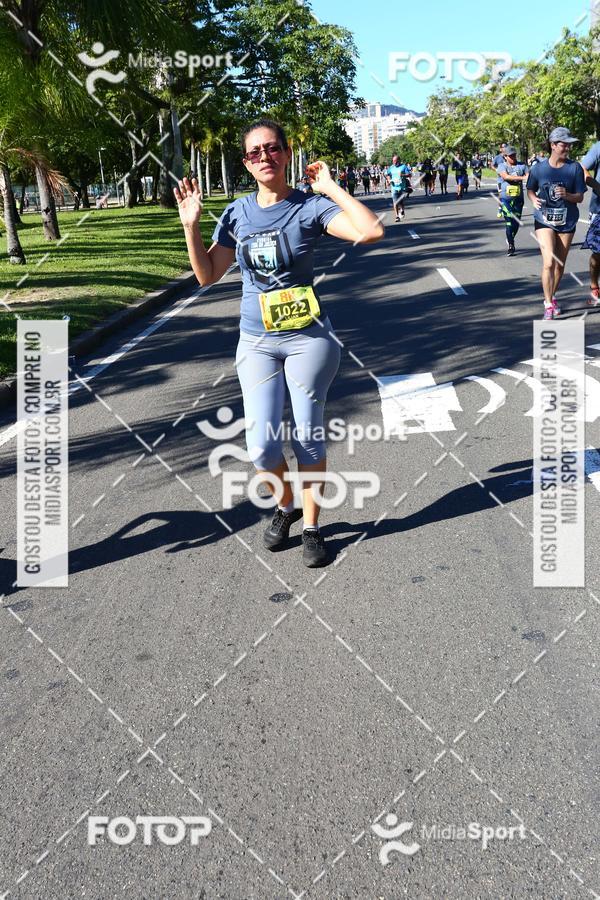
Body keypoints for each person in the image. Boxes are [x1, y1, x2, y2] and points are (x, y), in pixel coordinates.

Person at [174, 118, 384, 566]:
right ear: (246, 163)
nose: (264, 156)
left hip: (309, 339)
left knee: (308, 436)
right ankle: (287, 505)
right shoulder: (236, 213)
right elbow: (207, 276)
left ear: (287, 154)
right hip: (257, 341)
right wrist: (190, 226)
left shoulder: (309, 207)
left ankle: (312, 527)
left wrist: (330, 187)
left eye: (272, 148)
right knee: (262, 447)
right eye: (255, 152)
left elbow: (371, 231)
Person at [526, 126, 586, 319]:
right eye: (564, 144)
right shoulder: (538, 168)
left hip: (567, 221)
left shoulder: (574, 168)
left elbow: (580, 197)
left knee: (559, 265)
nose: (568, 148)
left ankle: (551, 297)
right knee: (549, 262)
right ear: (553, 145)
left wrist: (567, 195)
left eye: (569, 145)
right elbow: (530, 189)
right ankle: (548, 304)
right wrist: (533, 199)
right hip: (544, 220)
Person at [496, 145, 528, 256]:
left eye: (514, 155)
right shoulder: (502, 166)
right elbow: (506, 177)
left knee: (516, 223)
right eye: (510, 156)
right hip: (505, 199)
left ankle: (510, 237)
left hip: (519, 199)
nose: (513, 157)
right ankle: (511, 245)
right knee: (509, 221)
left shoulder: (522, 166)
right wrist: (522, 178)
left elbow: (529, 176)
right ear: (505, 156)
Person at [581, 139, 600, 306]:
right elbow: (582, 168)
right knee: (598, 252)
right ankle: (595, 288)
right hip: (599, 209)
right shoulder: (598, 147)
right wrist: (597, 186)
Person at [387, 154, 412, 221]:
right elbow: (388, 174)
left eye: (395, 161)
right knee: (395, 202)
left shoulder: (404, 167)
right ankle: (397, 216)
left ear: (399, 160)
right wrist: (389, 180)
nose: (394, 162)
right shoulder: (391, 167)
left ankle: (402, 210)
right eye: (393, 161)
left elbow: (410, 175)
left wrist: (403, 175)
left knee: (401, 201)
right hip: (394, 187)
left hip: (402, 187)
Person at [492, 142, 507, 217]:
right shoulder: (497, 157)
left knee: (509, 194)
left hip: (508, 179)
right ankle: (500, 208)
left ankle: (508, 208)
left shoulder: (509, 156)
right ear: (500, 149)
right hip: (500, 180)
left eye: (506, 147)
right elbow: (492, 165)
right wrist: (496, 170)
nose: (504, 148)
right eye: (503, 147)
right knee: (501, 194)